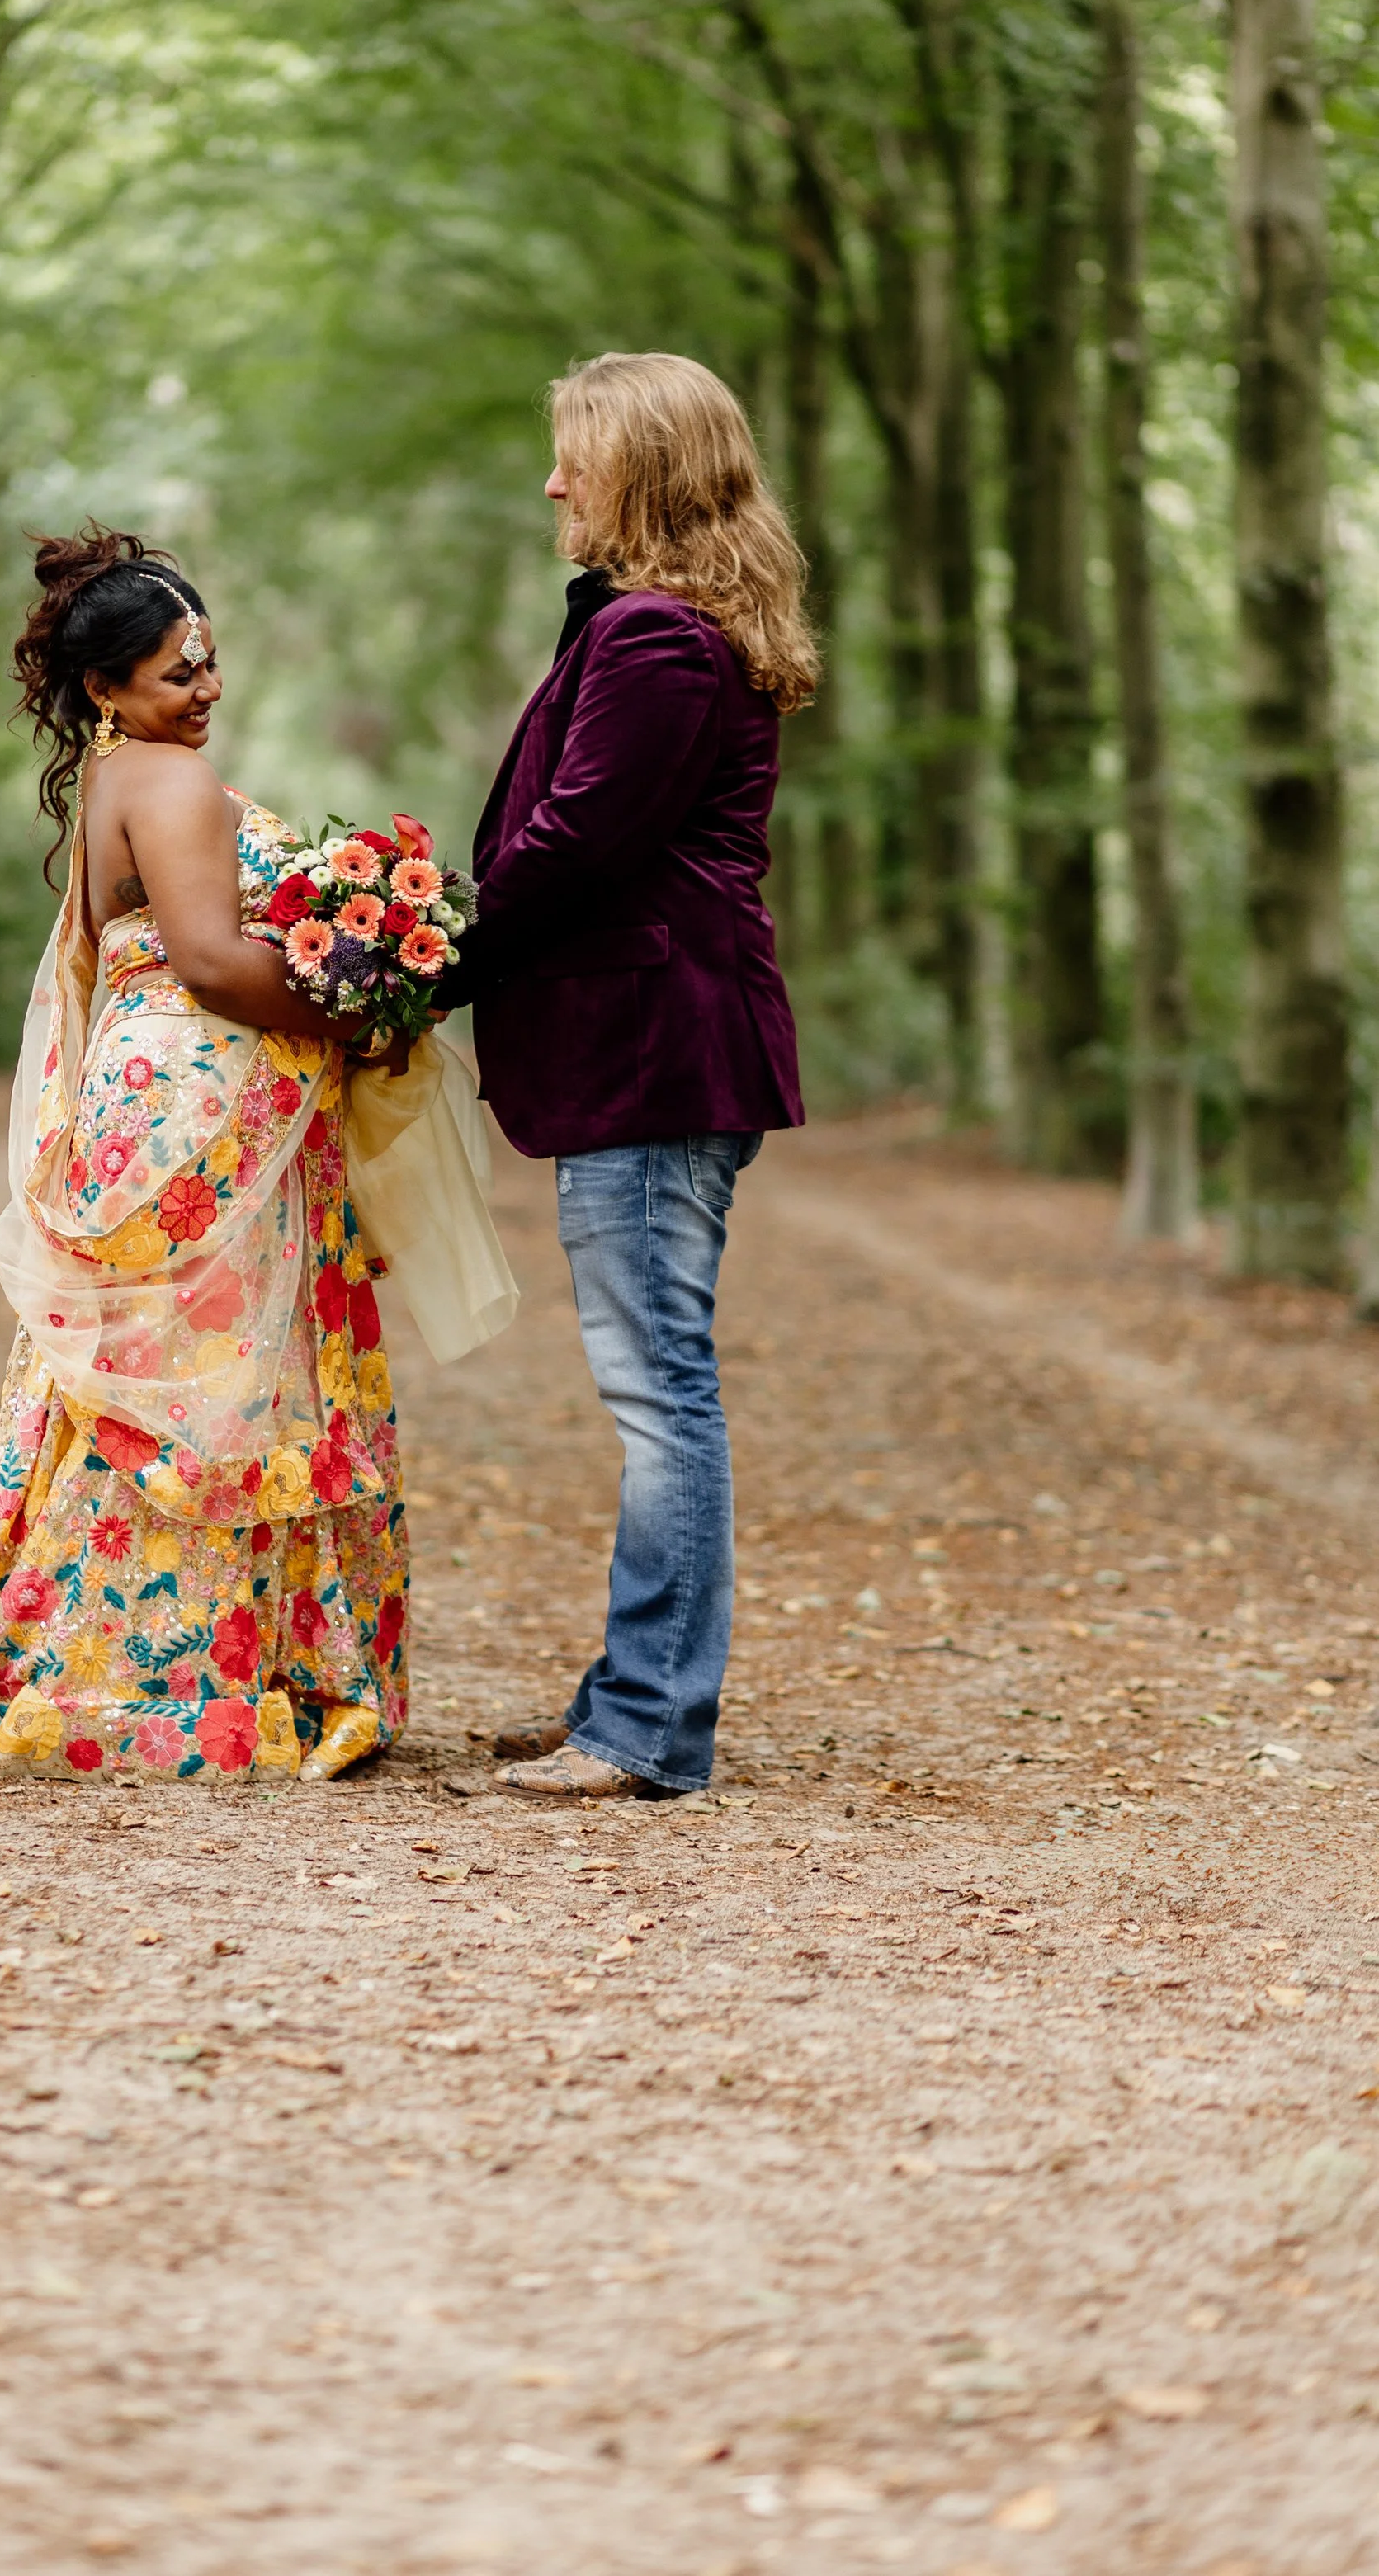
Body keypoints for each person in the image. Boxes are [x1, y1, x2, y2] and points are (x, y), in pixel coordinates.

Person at [0, 530, 410, 1787]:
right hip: (195, 1108)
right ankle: (179, 1686)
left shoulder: (120, 780)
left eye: (211, 663)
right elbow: (208, 959)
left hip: (153, 1096)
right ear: (107, 689)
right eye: (180, 672)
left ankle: (99, 1670)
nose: (208, 689)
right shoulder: (173, 786)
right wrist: (372, 1006)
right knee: (208, 1380)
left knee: (147, 1376)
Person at [443, 351, 819, 1800]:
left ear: (642, 469)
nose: (552, 481)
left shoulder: (661, 639)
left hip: (660, 1052)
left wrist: (423, 968)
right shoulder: (662, 627)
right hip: (658, 1052)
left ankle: (649, 1725)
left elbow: (575, 844)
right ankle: (630, 1694)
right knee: (653, 1380)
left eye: (573, 456)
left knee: (659, 1388)